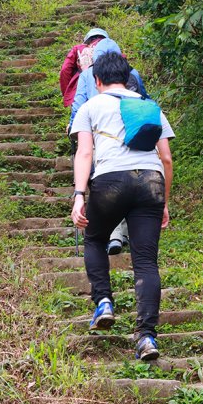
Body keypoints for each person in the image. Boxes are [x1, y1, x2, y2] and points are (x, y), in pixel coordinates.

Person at [69, 51, 174, 362]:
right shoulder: (149, 107)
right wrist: (164, 200)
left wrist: (79, 195)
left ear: (97, 79)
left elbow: (84, 154)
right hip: (151, 183)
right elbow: (166, 158)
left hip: (110, 181)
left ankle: (103, 301)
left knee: (96, 238)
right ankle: (146, 338)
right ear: (129, 77)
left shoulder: (90, 106)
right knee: (145, 262)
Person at [70, 37, 149, 255]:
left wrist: (74, 129)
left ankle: (113, 234)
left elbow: (78, 106)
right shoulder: (132, 75)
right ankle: (125, 234)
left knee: (105, 183)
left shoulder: (87, 74)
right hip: (135, 145)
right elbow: (145, 101)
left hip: (97, 140)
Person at [59, 28, 107, 107]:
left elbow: (65, 70)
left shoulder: (78, 49)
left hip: (82, 88)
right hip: (107, 87)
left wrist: (68, 93)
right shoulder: (111, 48)